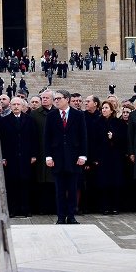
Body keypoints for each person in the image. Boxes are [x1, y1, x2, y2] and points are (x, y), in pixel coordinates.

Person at [44, 90, 87, 224]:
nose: (56, 101)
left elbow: (83, 136)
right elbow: (47, 138)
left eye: (59, 98)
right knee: (60, 190)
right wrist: (48, 156)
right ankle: (61, 216)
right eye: (55, 99)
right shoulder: (51, 116)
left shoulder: (78, 115)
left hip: (73, 158)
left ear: (67, 99)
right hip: (57, 158)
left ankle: (72, 216)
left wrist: (83, 155)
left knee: (73, 189)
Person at [0, 97, 38, 217]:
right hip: (11, 157)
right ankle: (13, 209)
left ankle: (25, 209)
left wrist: (33, 154)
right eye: (14, 104)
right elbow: (1, 140)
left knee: (25, 183)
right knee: (11, 184)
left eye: (18, 104)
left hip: (26, 157)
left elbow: (34, 139)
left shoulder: (30, 120)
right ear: (10, 106)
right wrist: (3, 157)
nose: (16, 106)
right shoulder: (4, 121)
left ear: (23, 106)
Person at [90, 101, 126, 215]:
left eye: (106, 108)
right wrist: (94, 158)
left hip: (115, 157)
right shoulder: (97, 122)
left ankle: (115, 206)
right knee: (103, 182)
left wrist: (113, 137)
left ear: (111, 110)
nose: (104, 110)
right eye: (103, 108)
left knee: (115, 182)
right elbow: (93, 141)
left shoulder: (118, 123)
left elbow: (124, 139)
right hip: (102, 157)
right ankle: (104, 206)